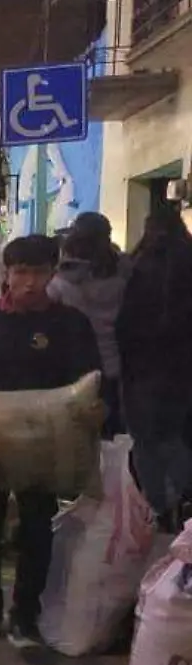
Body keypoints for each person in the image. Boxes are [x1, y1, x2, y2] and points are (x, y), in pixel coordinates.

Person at [0, 234, 101, 647]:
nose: (30, 283)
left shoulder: (70, 325)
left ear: (53, 272)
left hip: (42, 449)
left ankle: (25, 617)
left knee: (37, 529)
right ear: (7, 273)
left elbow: (86, 384)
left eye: (39, 272)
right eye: (21, 273)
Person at [117, 206, 192, 529]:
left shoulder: (138, 266)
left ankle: (159, 506)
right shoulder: (187, 262)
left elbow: (124, 323)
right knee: (173, 436)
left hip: (141, 368)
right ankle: (185, 499)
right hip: (182, 368)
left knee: (146, 440)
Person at [49, 211, 129, 436]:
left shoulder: (62, 278)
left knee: (77, 431)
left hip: (74, 363)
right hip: (114, 362)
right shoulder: (123, 272)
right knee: (111, 430)